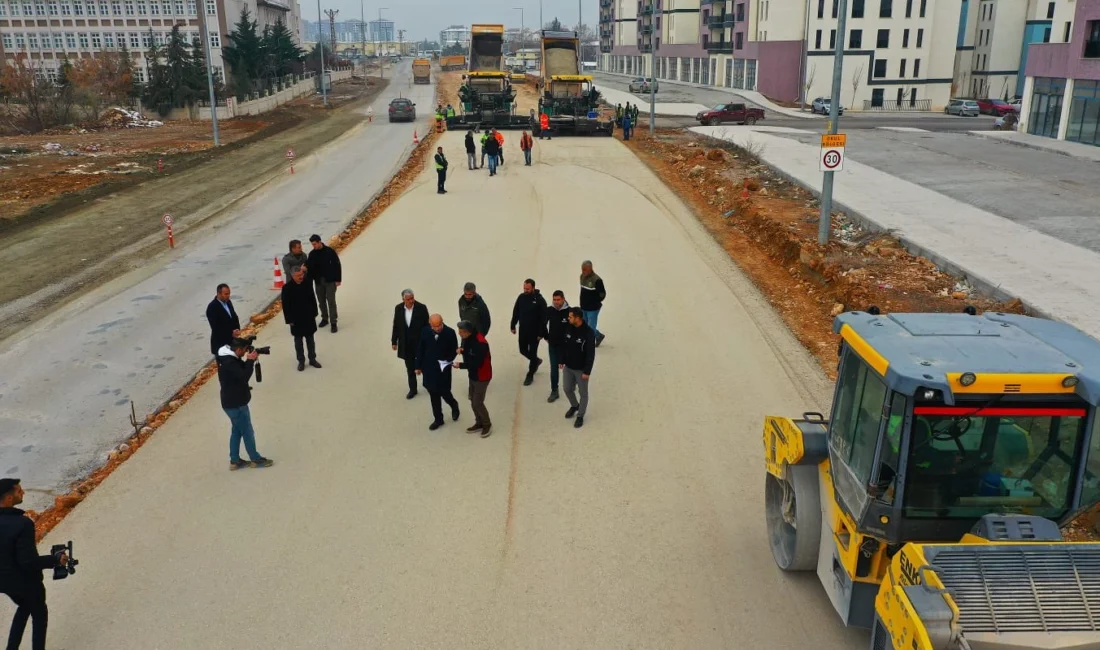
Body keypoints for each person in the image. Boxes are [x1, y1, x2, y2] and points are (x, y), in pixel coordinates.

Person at [0, 478, 67, 650]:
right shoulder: (22, 524)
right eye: (19, 491)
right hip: (26, 582)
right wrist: (55, 559)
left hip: (4, 583)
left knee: (24, 606)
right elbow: (28, 562)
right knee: (39, 615)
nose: (23, 492)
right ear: (8, 499)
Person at [217, 337, 274, 470]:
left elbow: (239, 370)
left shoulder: (227, 358)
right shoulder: (230, 363)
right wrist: (250, 361)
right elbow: (244, 376)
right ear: (237, 350)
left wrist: (250, 359)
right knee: (247, 431)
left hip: (229, 403)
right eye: (243, 351)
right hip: (237, 404)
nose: (244, 353)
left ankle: (235, 461)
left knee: (236, 431)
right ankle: (255, 459)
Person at [415, 314, 460, 431]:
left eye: (439, 325)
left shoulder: (450, 333)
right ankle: (438, 419)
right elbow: (421, 348)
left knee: (445, 393)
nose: (438, 328)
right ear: (430, 325)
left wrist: (446, 361)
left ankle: (454, 405)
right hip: (429, 369)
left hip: (443, 369)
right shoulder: (425, 331)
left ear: (442, 322)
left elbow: (454, 351)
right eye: (435, 326)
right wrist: (418, 366)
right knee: (433, 395)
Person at [453, 320, 493, 437]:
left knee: (477, 403)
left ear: (468, 332)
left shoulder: (481, 343)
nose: (459, 334)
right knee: (472, 399)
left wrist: (460, 365)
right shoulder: (467, 338)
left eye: (461, 332)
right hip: (473, 375)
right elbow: (469, 351)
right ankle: (479, 422)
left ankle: (487, 424)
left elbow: (476, 363)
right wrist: (462, 349)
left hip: (482, 376)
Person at [281, 266, 322, 372]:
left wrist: (315, 312)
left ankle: (312, 359)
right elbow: (285, 306)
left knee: (310, 340)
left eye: (302, 274)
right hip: (295, 319)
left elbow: (313, 298)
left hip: (308, 317)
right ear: (292, 276)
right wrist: (289, 320)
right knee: (298, 341)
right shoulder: (287, 288)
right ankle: (301, 361)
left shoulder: (307, 284)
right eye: (298, 275)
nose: (301, 277)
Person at [560, 307, 596, 428]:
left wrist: (587, 371)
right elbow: (565, 345)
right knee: (567, 388)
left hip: (581, 370)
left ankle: (580, 415)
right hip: (568, 367)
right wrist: (562, 360)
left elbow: (591, 354)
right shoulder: (569, 327)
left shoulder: (589, 333)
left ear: (578, 318)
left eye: (570, 317)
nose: (568, 318)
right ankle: (575, 405)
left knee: (583, 393)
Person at [392, 289, 430, 399]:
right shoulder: (398, 308)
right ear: (403, 299)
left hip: (419, 343)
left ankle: (427, 384)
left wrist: (428, 340)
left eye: (412, 298)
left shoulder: (421, 308)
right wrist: (394, 341)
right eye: (408, 299)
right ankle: (413, 389)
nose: (411, 301)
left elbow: (427, 325)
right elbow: (396, 325)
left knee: (424, 364)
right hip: (406, 344)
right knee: (410, 368)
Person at [510, 278, 548, 386]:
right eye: (524, 288)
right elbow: (516, 311)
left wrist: (541, 333)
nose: (525, 290)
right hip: (523, 330)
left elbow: (544, 318)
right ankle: (536, 361)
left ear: (533, 288)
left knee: (532, 352)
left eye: (528, 289)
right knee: (522, 350)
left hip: (535, 333)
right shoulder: (521, 297)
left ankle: (530, 374)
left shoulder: (540, 300)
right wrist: (513, 325)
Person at [307, 234, 342, 333]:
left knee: (331, 301)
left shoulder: (329, 251)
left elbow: (337, 265)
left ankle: (333, 322)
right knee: (321, 301)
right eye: (312, 245)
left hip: (330, 281)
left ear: (319, 242)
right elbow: (309, 267)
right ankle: (325, 318)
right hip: (318, 281)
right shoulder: (312, 254)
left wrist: (338, 279)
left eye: (315, 244)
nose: (314, 246)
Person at [544, 289, 571, 403]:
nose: (556, 302)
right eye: (554, 300)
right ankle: (554, 390)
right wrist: (546, 337)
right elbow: (542, 324)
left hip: (566, 347)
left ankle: (572, 387)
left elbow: (575, 327)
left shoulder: (570, 312)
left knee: (570, 368)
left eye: (558, 299)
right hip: (553, 345)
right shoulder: (549, 310)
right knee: (554, 368)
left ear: (563, 299)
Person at [205, 283, 241, 357]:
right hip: (221, 344)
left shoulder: (228, 302)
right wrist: (230, 333)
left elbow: (234, 317)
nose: (228, 296)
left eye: (229, 294)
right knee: (225, 367)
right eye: (226, 294)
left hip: (232, 342)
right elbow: (216, 328)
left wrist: (237, 329)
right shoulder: (212, 307)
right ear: (219, 294)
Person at [579, 260, 607, 346]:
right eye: (582, 269)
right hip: (583, 306)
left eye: (585, 270)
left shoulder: (597, 280)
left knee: (591, 327)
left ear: (590, 269)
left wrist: (595, 302)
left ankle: (589, 344)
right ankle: (598, 336)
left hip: (593, 309)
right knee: (584, 325)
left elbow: (602, 294)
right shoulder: (582, 277)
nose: (583, 271)